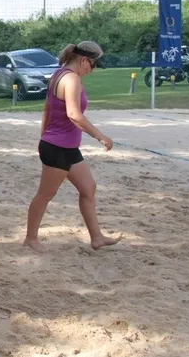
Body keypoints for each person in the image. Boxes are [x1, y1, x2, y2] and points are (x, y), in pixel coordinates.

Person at [23, 41, 121, 254]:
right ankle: (30, 238)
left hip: (64, 146)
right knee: (45, 194)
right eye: (92, 66)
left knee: (88, 188)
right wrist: (100, 136)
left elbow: (47, 108)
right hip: (58, 147)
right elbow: (74, 114)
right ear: (85, 60)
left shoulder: (59, 73)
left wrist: (43, 136)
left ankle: (97, 238)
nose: (91, 71)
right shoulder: (71, 78)